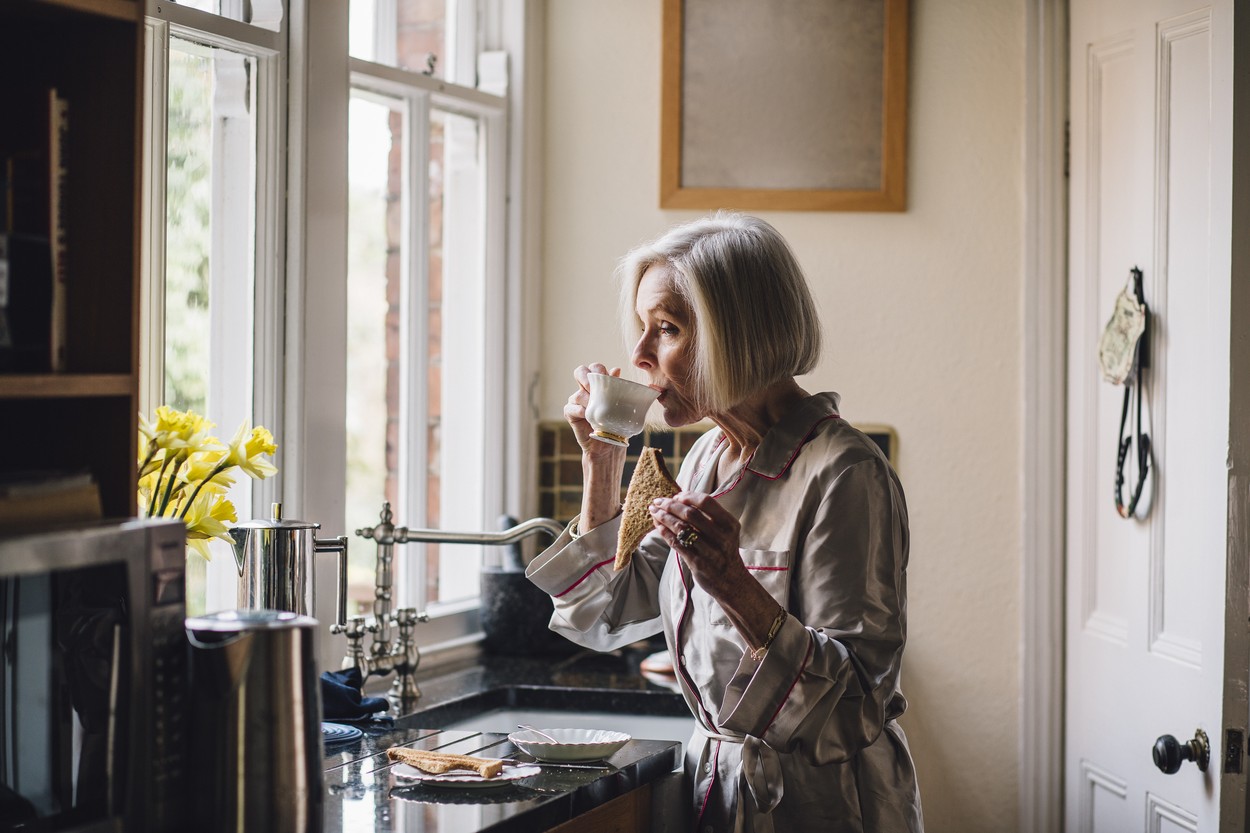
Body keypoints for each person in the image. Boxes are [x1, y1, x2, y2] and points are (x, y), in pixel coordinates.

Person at [526, 213, 923, 832]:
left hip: (820, 804)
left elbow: (853, 707)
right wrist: (602, 462)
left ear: (735, 335)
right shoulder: (708, 457)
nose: (638, 354)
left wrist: (732, 582)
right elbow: (605, 612)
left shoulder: (844, 474)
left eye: (667, 328)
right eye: (642, 327)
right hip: (718, 786)